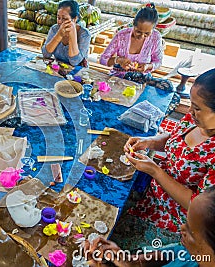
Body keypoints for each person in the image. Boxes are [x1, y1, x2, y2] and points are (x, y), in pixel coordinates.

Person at [123, 69, 215, 235]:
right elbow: (174, 139)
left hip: (174, 217)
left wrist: (155, 171)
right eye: (191, 105)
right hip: (152, 190)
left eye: (197, 108)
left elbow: (196, 206)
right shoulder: (192, 119)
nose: (190, 112)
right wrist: (148, 142)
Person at [86, 187, 215, 267]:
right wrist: (132, 262)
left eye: (191, 232)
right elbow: (173, 254)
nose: (181, 227)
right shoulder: (196, 255)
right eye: (186, 222)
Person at [99, 3, 172, 90]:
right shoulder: (122, 35)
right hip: (119, 78)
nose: (141, 36)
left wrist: (147, 66)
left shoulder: (156, 37)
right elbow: (103, 59)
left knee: (167, 86)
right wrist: (118, 60)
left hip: (142, 79)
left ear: (153, 29)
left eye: (147, 33)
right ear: (133, 23)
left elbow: (158, 62)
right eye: (138, 32)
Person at [41, 0, 91, 66]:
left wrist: (72, 34)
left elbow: (75, 62)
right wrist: (59, 34)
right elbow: (46, 54)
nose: (60, 22)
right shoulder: (55, 29)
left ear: (75, 19)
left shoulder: (84, 34)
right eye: (58, 18)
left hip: (77, 73)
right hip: (58, 68)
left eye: (64, 19)